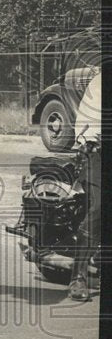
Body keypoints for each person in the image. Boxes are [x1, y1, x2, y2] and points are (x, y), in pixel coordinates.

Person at [68, 72, 101, 301]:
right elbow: (92, 123)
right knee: (99, 209)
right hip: (97, 152)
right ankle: (77, 277)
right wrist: (93, 138)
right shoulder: (101, 81)